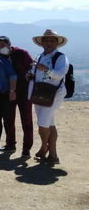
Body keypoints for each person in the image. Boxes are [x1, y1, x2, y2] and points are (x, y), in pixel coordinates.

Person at [29, 29, 70, 164]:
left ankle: (43, 148)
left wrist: (45, 69)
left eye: (52, 40)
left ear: (57, 43)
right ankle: (53, 155)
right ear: (42, 43)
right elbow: (34, 72)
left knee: (42, 123)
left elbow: (59, 74)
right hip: (40, 94)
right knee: (49, 123)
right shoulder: (39, 57)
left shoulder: (61, 57)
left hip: (54, 94)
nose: (49, 43)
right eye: (46, 40)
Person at [0, 35, 34, 157]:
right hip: (6, 92)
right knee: (8, 119)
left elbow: (31, 67)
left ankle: (26, 148)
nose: (0, 48)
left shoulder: (22, 53)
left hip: (24, 91)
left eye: (2, 45)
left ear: (9, 43)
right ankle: (10, 144)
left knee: (26, 119)